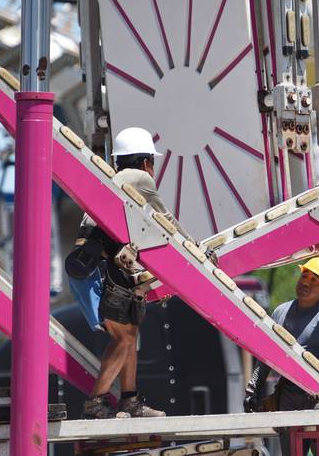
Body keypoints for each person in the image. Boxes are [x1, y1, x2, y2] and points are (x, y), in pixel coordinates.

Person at [66, 127, 191, 419]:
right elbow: (165, 222)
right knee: (123, 338)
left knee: (129, 334)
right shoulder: (140, 179)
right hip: (95, 272)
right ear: (146, 161)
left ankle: (130, 400)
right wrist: (193, 248)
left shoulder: (114, 180)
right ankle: (95, 403)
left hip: (87, 270)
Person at [243, 257, 319, 454]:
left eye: (315, 279)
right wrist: (253, 389)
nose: (305, 281)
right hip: (289, 397)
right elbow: (267, 356)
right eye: (305, 275)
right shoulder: (281, 312)